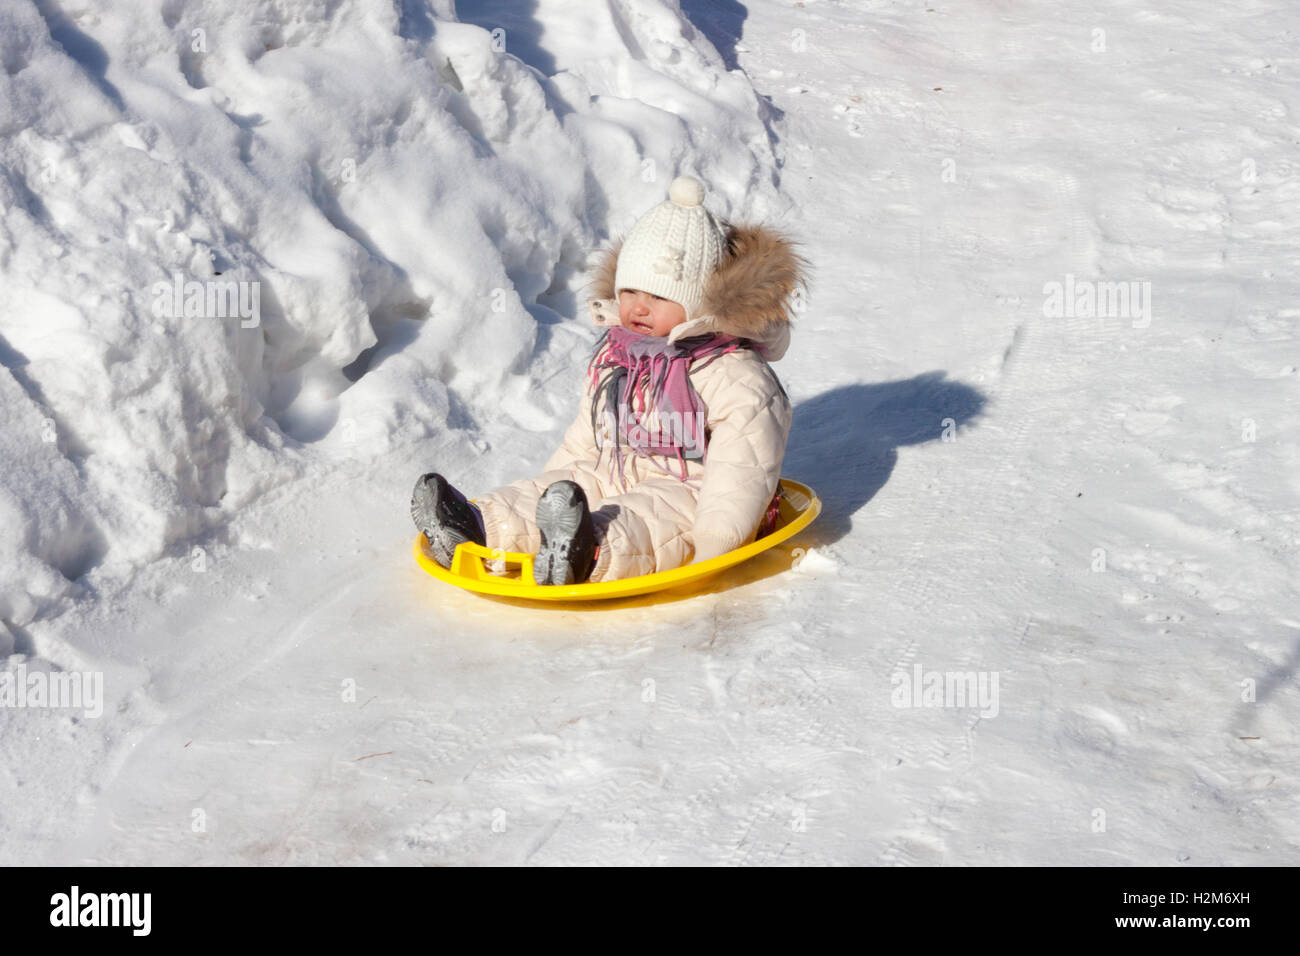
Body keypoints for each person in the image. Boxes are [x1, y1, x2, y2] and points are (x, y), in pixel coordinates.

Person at [411, 175, 807, 585]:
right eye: (631, 291)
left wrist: (715, 547)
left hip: (693, 488)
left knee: (647, 518)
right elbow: (587, 436)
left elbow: (741, 470)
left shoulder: (732, 373)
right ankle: (475, 526)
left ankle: (586, 553)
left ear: (699, 304)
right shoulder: (618, 354)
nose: (638, 307)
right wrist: (554, 489)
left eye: (658, 297)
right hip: (615, 467)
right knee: (564, 487)